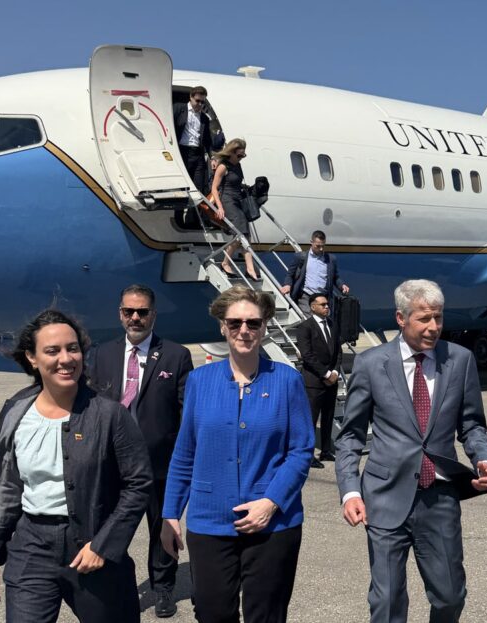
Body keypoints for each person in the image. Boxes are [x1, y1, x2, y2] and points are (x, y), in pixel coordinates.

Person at [0, 310, 153, 622]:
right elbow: (7, 486)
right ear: (32, 358)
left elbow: (138, 485)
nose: (66, 359)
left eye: (73, 348)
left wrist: (103, 545)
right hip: (31, 547)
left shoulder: (109, 415)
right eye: (52, 351)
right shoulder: (16, 412)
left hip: (92, 546)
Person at [335, 279, 487, 623]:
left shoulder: (461, 360)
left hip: (438, 498)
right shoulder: (370, 363)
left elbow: (471, 425)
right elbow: (349, 436)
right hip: (384, 496)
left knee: (451, 596)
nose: (434, 327)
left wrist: (483, 457)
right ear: (401, 318)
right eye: (424, 319)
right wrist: (350, 490)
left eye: (438, 318)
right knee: (387, 601)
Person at [161, 285, 313, 623]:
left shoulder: (287, 380)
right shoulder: (200, 381)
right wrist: (170, 513)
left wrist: (271, 501)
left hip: (273, 524)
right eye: (235, 323)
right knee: (213, 614)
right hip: (210, 520)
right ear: (222, 326)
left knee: (266, 615)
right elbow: (185, 451)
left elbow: (301, 450)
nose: (244, 330)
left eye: (253, 323)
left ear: (265, 326)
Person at [86, 285, 193, 618]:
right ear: (120, 313)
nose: (135, 318)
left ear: (153, 315)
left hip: (160, 462)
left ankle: (162, 589)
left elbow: (185, 410)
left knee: (162, 527)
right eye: (129, 311)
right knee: (109, 527)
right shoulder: (102, 354)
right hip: (112, 462)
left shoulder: (176, 355)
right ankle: (112, 585)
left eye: (142, 312)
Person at [295, 292, 343, 469]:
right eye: (322, 304)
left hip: (332, 380)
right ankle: (307, 456)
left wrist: (336, 372)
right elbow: (307, 355)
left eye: (327, 304)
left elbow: (338, 351)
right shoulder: (305, 327)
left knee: (329, 416)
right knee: (311, 419)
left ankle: (325, 451)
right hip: (314, 381)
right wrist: (326, 374)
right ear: (313, 307)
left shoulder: (332, 325)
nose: (327, 307)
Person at [210, 138, 261, 281]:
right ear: (231, 153)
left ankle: (245, 267)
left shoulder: (238, 166)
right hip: (227, 201)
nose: (241, 158)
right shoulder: (223, 166)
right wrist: (219, 207)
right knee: (240, 234)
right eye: (239, 155)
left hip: (238, 200)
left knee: (245, 236)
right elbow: (214, 188)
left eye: (243, 156)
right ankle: (231, 264)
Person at [280, 230, 349, 313]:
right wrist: (287, 285)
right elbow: (290, 274)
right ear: (311, 242)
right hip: (306, 296)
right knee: (310, 320)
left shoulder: (331, 259)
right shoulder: (301, 257)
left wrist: (342, 285)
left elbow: (335, 277)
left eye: (323, 246)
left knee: (323, 322)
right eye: (318, 246)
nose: (321, 249)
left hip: (323, 297)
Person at [173, 86, 212, 196]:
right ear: (191, 97)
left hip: (198, 154)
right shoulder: (178, 108)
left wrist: (212, 157)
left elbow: (207, 140)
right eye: (197, 101)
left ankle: (192, 214)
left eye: (202, 102)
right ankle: (178, 214)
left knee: (197, 189)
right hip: (182, 152)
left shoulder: (204, 118)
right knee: (182, 188)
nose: (200, 104)